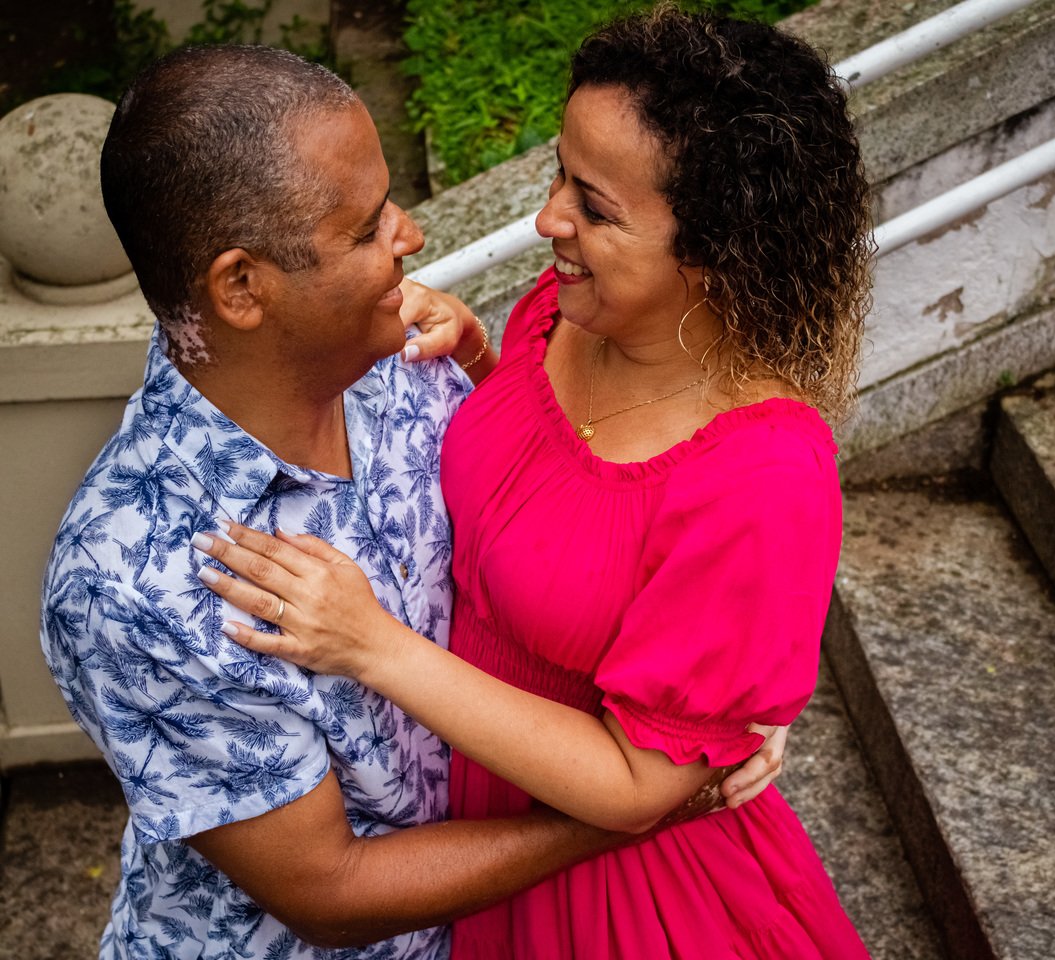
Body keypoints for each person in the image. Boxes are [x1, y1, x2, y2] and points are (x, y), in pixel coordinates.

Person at [39, 42, 781, 960]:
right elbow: (330, 894)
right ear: (242, 287)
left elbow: (557, 539)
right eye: (364, 230)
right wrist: (644, 805)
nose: (412, 236)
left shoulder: (403, 355)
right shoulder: (132, 580)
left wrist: (713, 695)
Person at [194, 7, 875, 959]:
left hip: (625, 900)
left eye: (595, 208)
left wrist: (373, 646)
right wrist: (480, 362)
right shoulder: (562, 313)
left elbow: (639, 787)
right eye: (560, 173)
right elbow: (560, 507)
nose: (548, 218)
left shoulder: (761, 477)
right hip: (483, 838)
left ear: (722, 251)